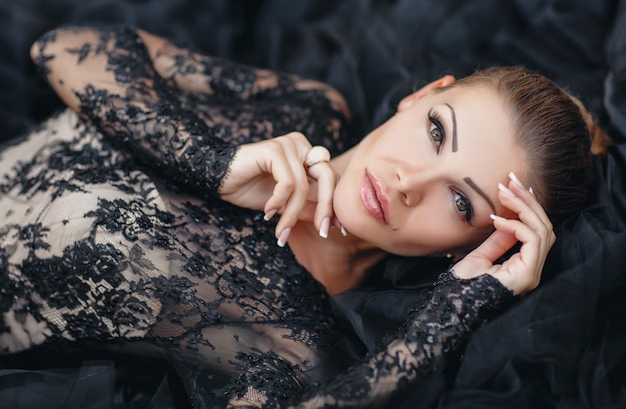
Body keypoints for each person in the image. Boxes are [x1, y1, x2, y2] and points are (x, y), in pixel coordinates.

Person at [0, 24, 602, 408]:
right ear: (420, 95)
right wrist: (211, 161)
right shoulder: (309, 107)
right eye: (436, 130)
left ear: (478, 244)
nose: (408, 182)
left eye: (461, 201)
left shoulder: (300, 345)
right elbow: (64, 46)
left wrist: (457, 309)